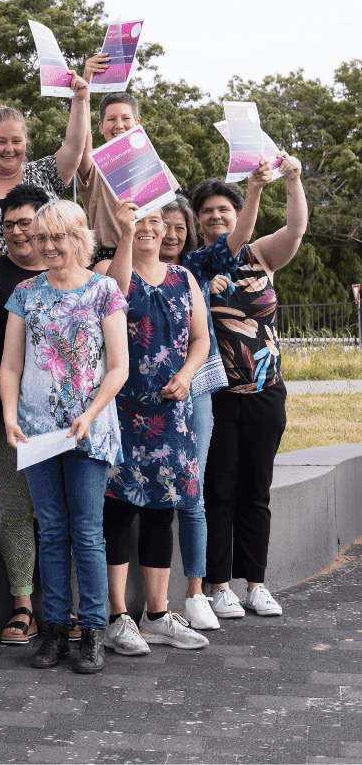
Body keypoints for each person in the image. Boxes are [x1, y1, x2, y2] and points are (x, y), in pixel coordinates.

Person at [0, 199, 129, 675]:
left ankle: (93, 630)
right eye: (42, 237)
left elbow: (119, 368)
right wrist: (11, 416)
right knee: (51, 530)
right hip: (37, 433)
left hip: (88, 431)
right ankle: (54, 629)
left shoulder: (105, 290)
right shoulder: (25, 292)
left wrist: (92, 414)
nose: (50, 245)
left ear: (81, 238)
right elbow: (11, 363)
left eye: (61, 236)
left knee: (87, 532)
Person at [184, 154, 306, 619]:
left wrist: (291, 180)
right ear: (197, 221)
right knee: (220, 491)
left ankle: (257, 583)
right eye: (207, 212)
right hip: (218, 397)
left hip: (266, 392)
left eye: (224, 210)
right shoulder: (194, 267)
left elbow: (295, 230)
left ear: (238, 215)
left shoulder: (261, 256)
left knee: (257, 491)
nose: (217, 216)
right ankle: (219, 586)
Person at [95, 200, 212, 654]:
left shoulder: (184, 279)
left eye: (153, 222)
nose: (147, 228)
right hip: (121, 411)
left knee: (164, 511)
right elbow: (116, 296)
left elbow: (200, 339)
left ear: (166, 228)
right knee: (118, 512)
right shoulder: (110, 267)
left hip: (171, 414)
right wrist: (126, 235)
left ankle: (159, 614)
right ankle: (117, 614)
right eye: (138, 221)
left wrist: (186, 375)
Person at [0, 183, 51, 645]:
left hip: (63, 416)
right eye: (9, 225)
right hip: (4, 413)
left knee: (63, 510)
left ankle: (67, 605)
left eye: (26, 222)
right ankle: (23, 605)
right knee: (18, 507)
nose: (17, 232)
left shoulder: (72, 272)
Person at [158, 194, 231, 631]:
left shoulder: (197, 268)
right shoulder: (128, 267)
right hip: (145, 396)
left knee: (193, 490)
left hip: (196, 390)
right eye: (162, 224)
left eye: (179, 227)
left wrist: (256, 188)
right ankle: (154, 599)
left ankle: (195, 592)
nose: (169, 234)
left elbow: (235, 238)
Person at [0, 72, 91, 264]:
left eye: (16, 141)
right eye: (1, 142)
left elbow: (74, 147)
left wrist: (79, 100)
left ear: (26, 141)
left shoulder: (44, 173)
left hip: (45, 285)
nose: (9, 149)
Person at [74, 79, 181, 263]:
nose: (119, 125)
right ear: (100, 126)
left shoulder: (158, 165)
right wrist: (84, 97)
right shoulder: (95, 167)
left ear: (137, 123)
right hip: (111, 257)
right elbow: (82, 141)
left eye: (125, 118)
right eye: (111, 119)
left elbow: (174, 213)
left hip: (152, 256)